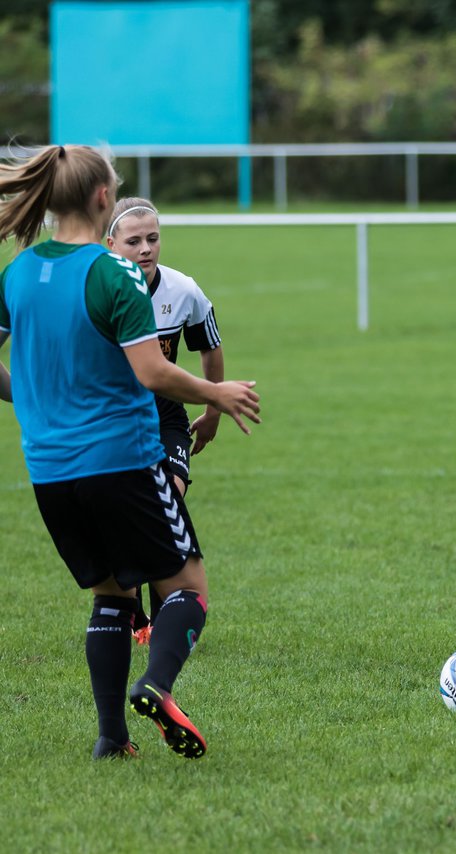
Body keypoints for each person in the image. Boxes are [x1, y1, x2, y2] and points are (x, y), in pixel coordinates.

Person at [0, 145, 261, 758]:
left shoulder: (19, 271)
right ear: (101, 199)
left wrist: (36, 400)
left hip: (50, 471)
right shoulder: (111, 273)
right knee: (188, 588)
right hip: (123, 461)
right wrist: (215, 392)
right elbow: (153, 373)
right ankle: (158, 686)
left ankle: (111, 739)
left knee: (112, 595)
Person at [106, 198, 224, 642]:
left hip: (165, 413)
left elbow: (209, 345)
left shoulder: (182, 290)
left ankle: (161, 619)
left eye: (152, 238)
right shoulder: (98, 290)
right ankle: (130, 612)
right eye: (133, 241)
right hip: (114, 417)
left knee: (166, 501)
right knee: (126, 514)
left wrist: (212, 409)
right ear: (111, 243)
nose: (145, 249)